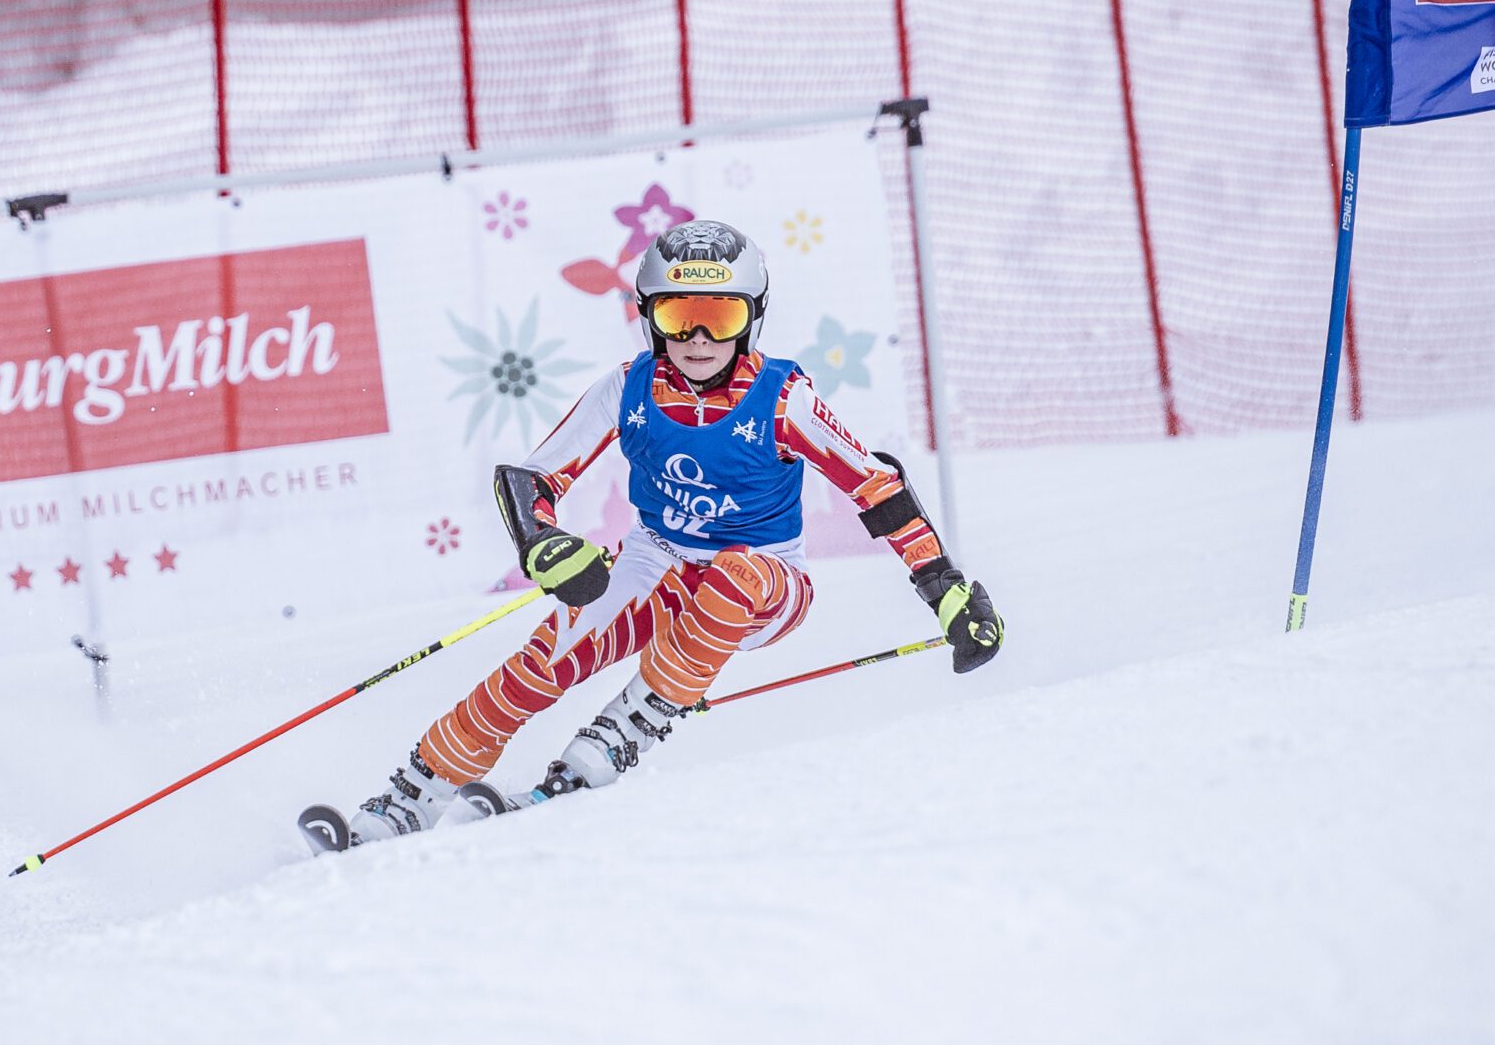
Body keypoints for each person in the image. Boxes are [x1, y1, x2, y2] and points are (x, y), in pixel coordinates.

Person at [343, 218, 1002, 844]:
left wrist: (943, 587)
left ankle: (614, 740)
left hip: (767, 582)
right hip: (655, 560)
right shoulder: (627, 388)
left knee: (733, 575)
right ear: (649, 317)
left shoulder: (780, 398)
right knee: (541, 664)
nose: (698, 338)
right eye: (676, 315)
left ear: (752, 319)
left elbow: (876, 487)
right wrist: (542, 542)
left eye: (720, 317)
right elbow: (529, 481)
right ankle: (413, 792)